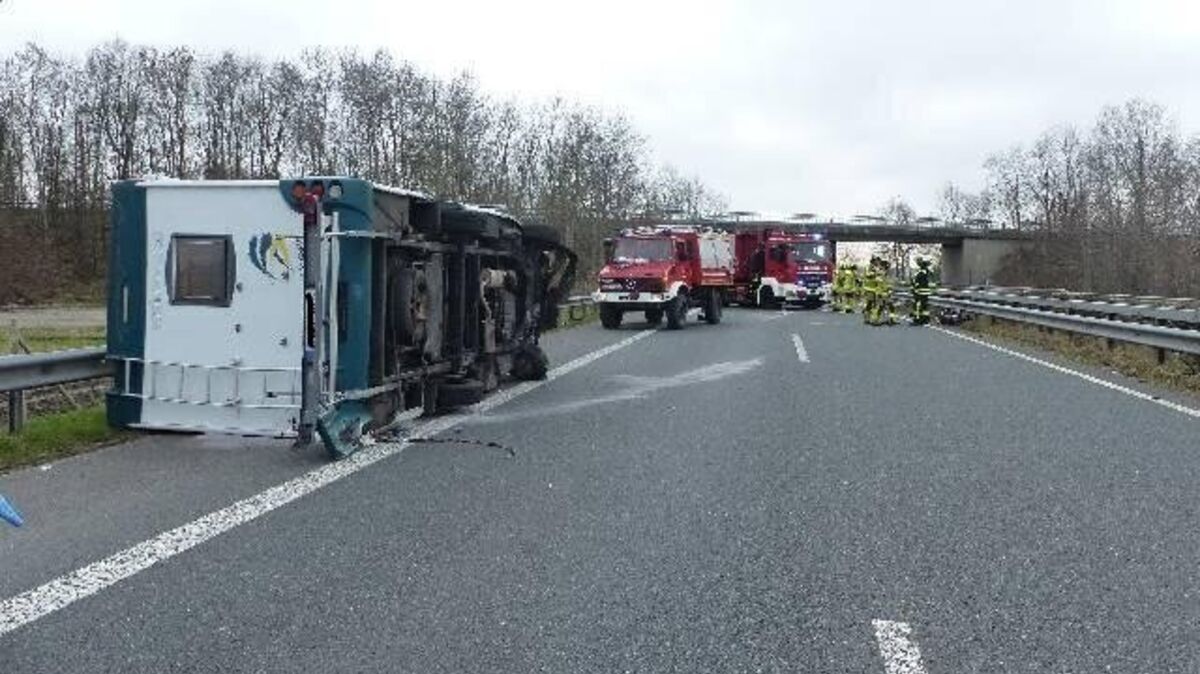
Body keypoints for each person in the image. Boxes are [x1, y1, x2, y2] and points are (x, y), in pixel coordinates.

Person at [909, 257, 936, 325]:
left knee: (917, 306)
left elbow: (917, 283)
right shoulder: (927, 272)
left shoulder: (920, 273)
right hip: (926, 292)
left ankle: (917, 319)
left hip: (920, 292)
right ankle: (925, 319)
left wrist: (914, 289)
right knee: (924, 306)